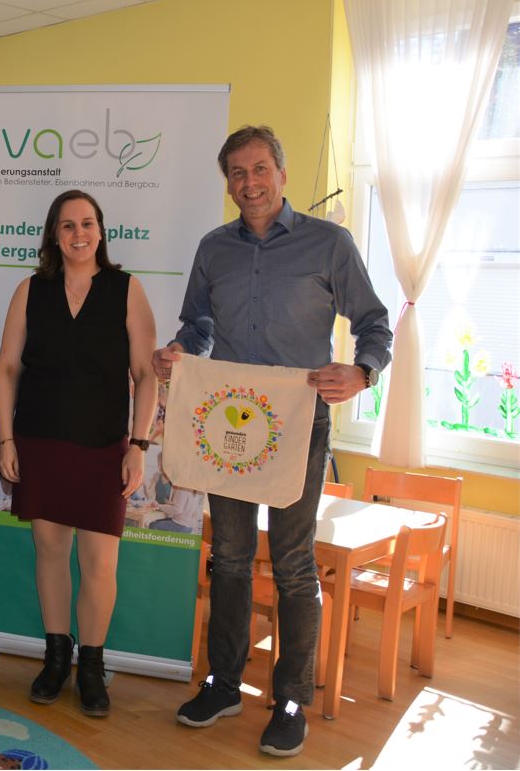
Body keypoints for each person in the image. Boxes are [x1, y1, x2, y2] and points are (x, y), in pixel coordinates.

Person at [157, 125, 391, 758]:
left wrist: (363, 371)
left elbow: (374, 322)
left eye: (260, 169)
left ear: (282, 175)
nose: (250, 183)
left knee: (292, 564)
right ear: (228, 183)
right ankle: (223, 683)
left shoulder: (330, 244)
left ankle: (290, 700)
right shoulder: (213, 248)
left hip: (299, 424)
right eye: (237, 173)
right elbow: (198, 326)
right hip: (229, 424)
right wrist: (179, 351)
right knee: (230, 557)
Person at [0, 189, 157, 716]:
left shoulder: (126, 290)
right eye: (67, 225)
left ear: (101, 231)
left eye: (87, 223)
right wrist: (6, 439)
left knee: (100, 562)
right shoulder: (30, 290)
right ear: (54, 235)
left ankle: (91, 666)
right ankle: (56, 657)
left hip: (105, 448)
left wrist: (139, 445)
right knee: (49, 550)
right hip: (41, 440)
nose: (78, 233)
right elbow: (6, 370)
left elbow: (146, 374)